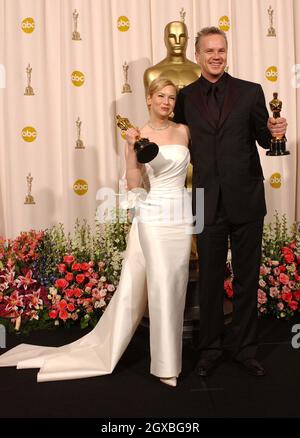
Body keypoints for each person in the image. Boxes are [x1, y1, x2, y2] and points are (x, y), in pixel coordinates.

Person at [0, 78, 192, 387]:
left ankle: (172, 358)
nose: (166, 102)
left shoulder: (184, 131)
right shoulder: (136, 134)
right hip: (154, 214)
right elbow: (132, 176)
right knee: (159, 285)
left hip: (182, 216)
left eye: (171, 97)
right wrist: (141, 203)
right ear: (148, 99)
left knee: (176, 282)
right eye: (160, 96)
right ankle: (166, 365)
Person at [173, 27, 287, 377]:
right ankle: (208, 349)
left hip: (246, 198)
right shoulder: (185, 97)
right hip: (206, 198)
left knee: (246, 278)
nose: (216, 56)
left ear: (227, 52)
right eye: (209, 51)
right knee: (207, 277)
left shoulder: (251, 92)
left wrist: (275, 132)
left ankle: (245, 348)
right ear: (198, 55)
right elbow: (175, 142)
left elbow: (263, 137)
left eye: (221, 50)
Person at [144, 21, 201, 91]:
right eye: (172, 37)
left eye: (182, 36)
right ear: (165, 39)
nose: (177, 41)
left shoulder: (200, 72)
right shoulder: (152, 74)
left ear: (187, 39)